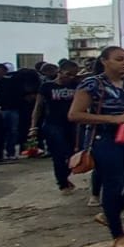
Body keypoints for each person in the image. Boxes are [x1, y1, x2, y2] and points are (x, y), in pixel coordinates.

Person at [68, 46, 124, 247]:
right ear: (105, 61)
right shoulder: (92, 84)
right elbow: (75, 115)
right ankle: (118, 235)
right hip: (105, 137)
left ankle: (109, 213)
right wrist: (113, 118)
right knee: (112, 183)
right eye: (119, 59)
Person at [30, 60, 82, 192]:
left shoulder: (76, 85)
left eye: (73, 75)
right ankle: (62, 183)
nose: (70, 77)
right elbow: (38, 107)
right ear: (59, 71)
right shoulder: (47, 86)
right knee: (58, 154)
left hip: (72, 124)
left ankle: (65, 176)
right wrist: (33, 127)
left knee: (73, 153)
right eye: (68, 74)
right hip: (53, 124)